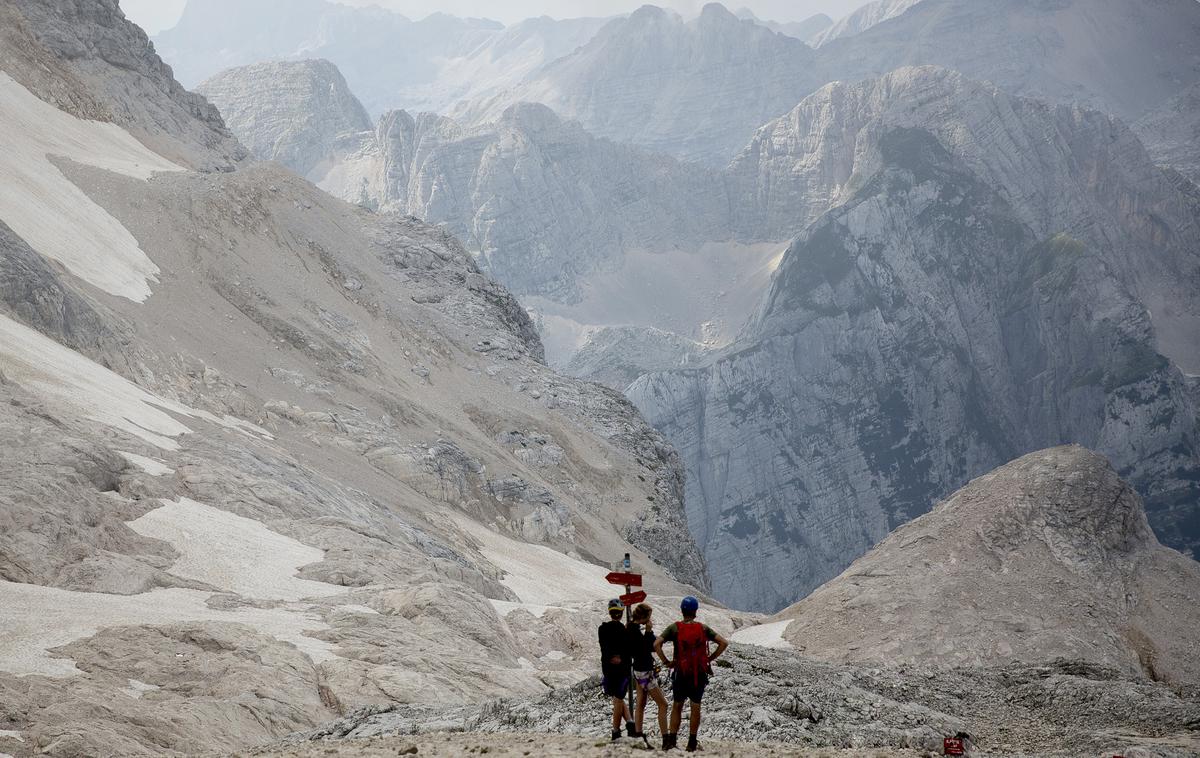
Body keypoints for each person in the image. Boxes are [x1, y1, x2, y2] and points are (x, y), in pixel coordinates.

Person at [654, 596, 729, 752]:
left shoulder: (674, 628)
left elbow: (656, 644)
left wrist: (667, 662)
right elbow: (723, 643)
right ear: (695, 611)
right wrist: (709, 659)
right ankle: (692, 743)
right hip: (699, 674)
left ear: (682, 611)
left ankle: (672, 741)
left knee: (677, 706)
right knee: (695, 707)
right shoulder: (703, 628)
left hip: (680, 673)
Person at [626, 603, 669, 744]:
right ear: (644, 617)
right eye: (649, 616)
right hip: (645, 671)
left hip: (638, 671)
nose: (650, 619)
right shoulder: (636, 631)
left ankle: (638, 735)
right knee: (663, 704)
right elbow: (646, 648)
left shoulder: (631, 628)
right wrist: (649, 631)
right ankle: (666, 739)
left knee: (641, 702)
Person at [598, 597, 635, 740]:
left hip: (608, 669)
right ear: (621, 612)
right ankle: (617, 730)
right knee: (619, 698)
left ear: (610, 612)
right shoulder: (625, 631)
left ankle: (628, 725)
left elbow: (603, 647)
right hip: (623, 669)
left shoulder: (602, 629)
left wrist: (611, 657)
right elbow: (629, 649)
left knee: (617, 698)